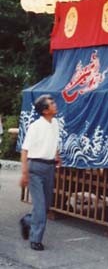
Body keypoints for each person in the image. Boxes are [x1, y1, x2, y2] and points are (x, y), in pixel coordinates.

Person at [19, 95, 61, 251]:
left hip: (49, 168)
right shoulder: (35, 126)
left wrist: (56, 155)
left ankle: (28, 220)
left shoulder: (55, 123)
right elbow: (25, 150)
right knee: (40, 205)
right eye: (51, 104)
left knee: (46, 205)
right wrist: (24, 173)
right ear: (45, 110)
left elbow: (54, 141)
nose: (55, 105)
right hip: (35, 168)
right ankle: (35, 239)